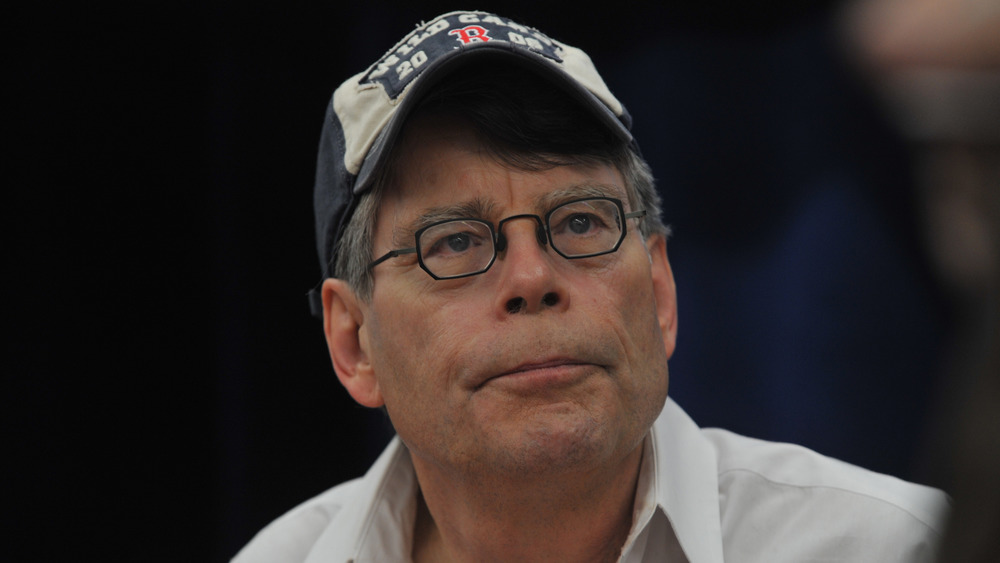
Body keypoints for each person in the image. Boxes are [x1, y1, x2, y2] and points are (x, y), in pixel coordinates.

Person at [233, 11, 948, 562]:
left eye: (580, 222)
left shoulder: (898, 546)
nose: (533, 277)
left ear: (662, 291)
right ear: (353, 341)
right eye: (454, 242)